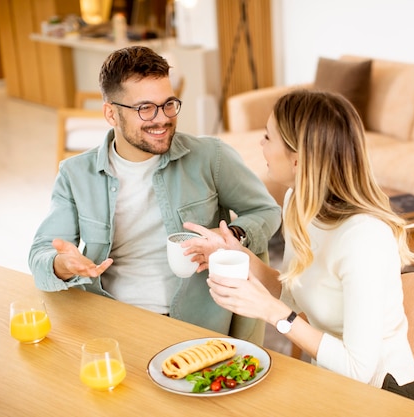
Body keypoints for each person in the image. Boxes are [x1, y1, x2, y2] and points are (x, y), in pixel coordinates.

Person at [28, 46, 281, 344]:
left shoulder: (211, 157)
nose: (162, 119)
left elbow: (266, 211)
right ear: (111, 113)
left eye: (168, 104)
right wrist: (62, 265)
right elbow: (41, 254)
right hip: (111, 321)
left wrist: (232, 235)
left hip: (196, 326)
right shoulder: (75, 174)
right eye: (145, 108)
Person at [184, 90, 414, 401]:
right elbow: (295, 294)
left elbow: (358, 370)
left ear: (296, 160)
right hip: (326, 381)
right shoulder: (297, 202)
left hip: (381, 396)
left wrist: (274, 313)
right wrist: (236, 256)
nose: (261, 144)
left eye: (268, 137)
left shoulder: (364, 239)